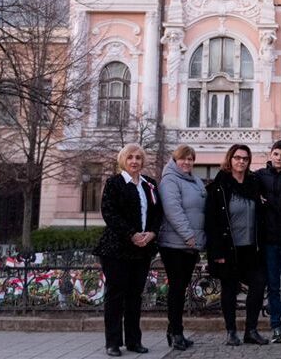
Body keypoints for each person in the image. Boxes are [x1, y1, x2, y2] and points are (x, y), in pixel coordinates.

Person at [93, 145, 162, 357]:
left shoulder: (149, 184)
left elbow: (158, 212)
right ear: (123, 160)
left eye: (138, 158)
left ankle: (134, 341)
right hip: (117, 248)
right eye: (130, 157)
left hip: (142, 249)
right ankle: (113, 342)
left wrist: (151, 233)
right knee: (115, 296)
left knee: (135, 296)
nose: (134, 161)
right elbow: (110, 213)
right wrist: (131, 234)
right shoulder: (114, 183)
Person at [204, 144, 268, 346]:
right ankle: (231, 331)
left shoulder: (254, 184)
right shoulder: (219, 186)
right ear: (230, 159)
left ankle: (251, 330)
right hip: (229, 249)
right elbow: (211, 222)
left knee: (258, 285)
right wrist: (216, 252)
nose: (241, 161)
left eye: (245, 158)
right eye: (237, 157)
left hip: (251, 248)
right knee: (229, 290)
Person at [157, 145, 206, 350]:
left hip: (190, 245)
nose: (187, 162)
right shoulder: (170, 180)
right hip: (175, 244)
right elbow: (172, 210)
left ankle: (176, 330)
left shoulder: (194, 180)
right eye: (183, 159)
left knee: (181, 288)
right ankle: (175, 332)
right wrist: (189, 235)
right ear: (175, 160)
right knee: (177, 289)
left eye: (190, 159)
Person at [254, 139, 281, 343]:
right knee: (273, 286)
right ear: (270, 155)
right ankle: (275, 325)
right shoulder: (260, 176)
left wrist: (269, 202)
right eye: (276, 154)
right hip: (269, 239)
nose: (279, 158)